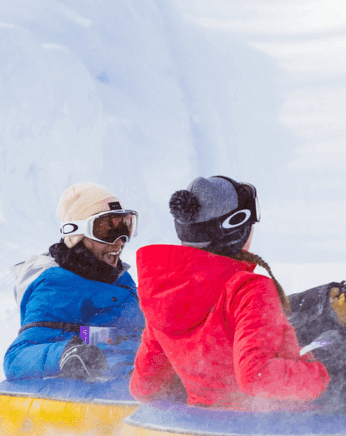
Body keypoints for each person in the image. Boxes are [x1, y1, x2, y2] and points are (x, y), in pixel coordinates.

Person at [127, 175, 331, 410]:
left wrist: (200, 386)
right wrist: (321, 373)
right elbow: (256, 374)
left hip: (204, 420)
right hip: (267, 420)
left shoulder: (165, 293)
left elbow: (145, 387)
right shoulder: (248, 289)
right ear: (236, 229)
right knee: (343, 355)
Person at [4, 183, 146, 381]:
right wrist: (66, 353)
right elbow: (17, 358)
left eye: (125, 226)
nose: (119, 241)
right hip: (110, 387)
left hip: (145, 375)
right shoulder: (55, 287)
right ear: (77, 234)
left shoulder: (117, 277)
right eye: (106, 229)